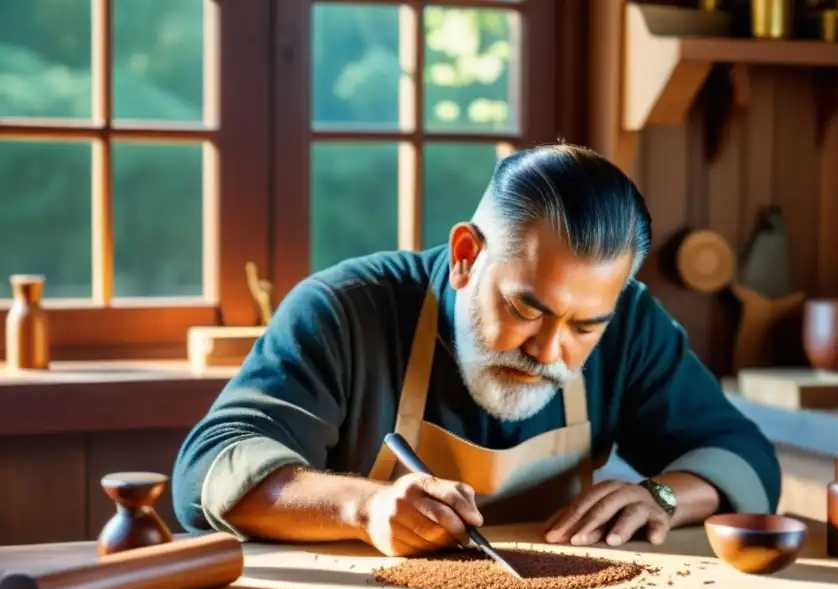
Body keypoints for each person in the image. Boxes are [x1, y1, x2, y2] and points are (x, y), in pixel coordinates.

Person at [171, 143, 781, 556]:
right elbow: (208, 470)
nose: (548, 350)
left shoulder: (630, 324)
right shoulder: (344, 310)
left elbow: (744, 454)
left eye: (583, 327)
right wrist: (363, 507)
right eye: (524, 308)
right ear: (465, 255)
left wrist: (664, 496)